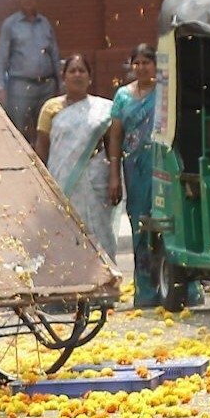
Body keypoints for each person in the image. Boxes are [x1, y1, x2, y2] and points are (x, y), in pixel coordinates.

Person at [105, 44, 186, 307]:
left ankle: (179, 287)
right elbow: (115, 137)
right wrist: (114, 174)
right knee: (141, 225)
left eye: (146, 62)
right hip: (135, 169)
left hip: (164, 166)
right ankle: (147, 291)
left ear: (156, 65)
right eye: (137, 63)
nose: (141, 68)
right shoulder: (123, 96)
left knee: (169, 222)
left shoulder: (166, 92)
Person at [35, 53, 119, 264]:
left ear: (90, 77)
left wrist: (114, 178)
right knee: (64, 233)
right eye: (72, 71)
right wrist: (39, 183)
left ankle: (104, 277)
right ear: (64, 77)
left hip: (95, 181)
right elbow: (42, 148)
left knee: (98, 232)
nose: (77, 75)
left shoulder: (103, 110)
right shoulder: (51, 108)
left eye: (82, 71)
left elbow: (112, 146)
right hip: (60, 182)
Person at [0, 0, 61, 141]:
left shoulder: (45, 24)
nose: (28, 0)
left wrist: (61, 82)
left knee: (47, 132)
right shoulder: (10, 25)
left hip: (46, 86)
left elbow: (54, 55)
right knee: (18, 132)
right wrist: (0, 86)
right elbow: (1, 58)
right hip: (20, 87)